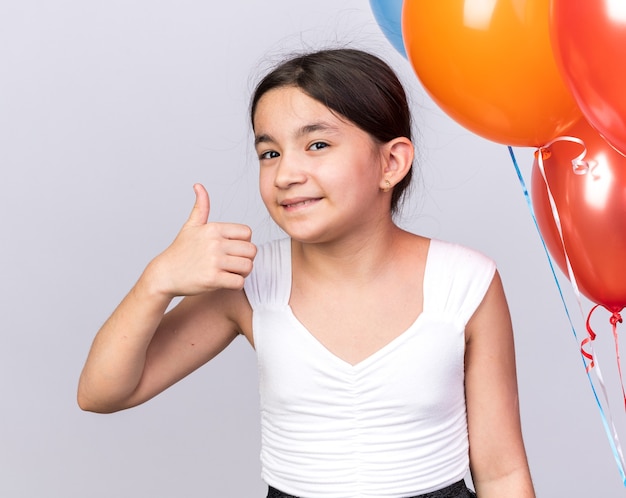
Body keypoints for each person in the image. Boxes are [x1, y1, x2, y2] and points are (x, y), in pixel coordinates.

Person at [77, 48, 535, 498]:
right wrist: (156, 282)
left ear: (391, 163)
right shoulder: (250, 282)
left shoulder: (465, 282)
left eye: (317, 145)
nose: (285, 174)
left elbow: (502, 475)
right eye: (269, 153)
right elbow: (102, 392)